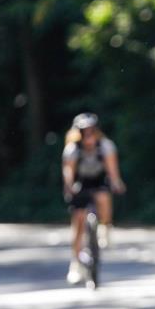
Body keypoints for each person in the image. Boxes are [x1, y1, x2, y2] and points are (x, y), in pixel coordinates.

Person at [62, 113, 126, 284]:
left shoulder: (105, 145)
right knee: (78, 222)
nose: (88, 136)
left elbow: (112, 169)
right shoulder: (72, 149)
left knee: (103, 197)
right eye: (84, 132)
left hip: (99, 180)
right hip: (81, 182)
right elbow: (68, 172)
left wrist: (116, 183)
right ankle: (76, 264)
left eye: (91, 131)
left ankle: (105, 227)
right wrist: (69, 188)